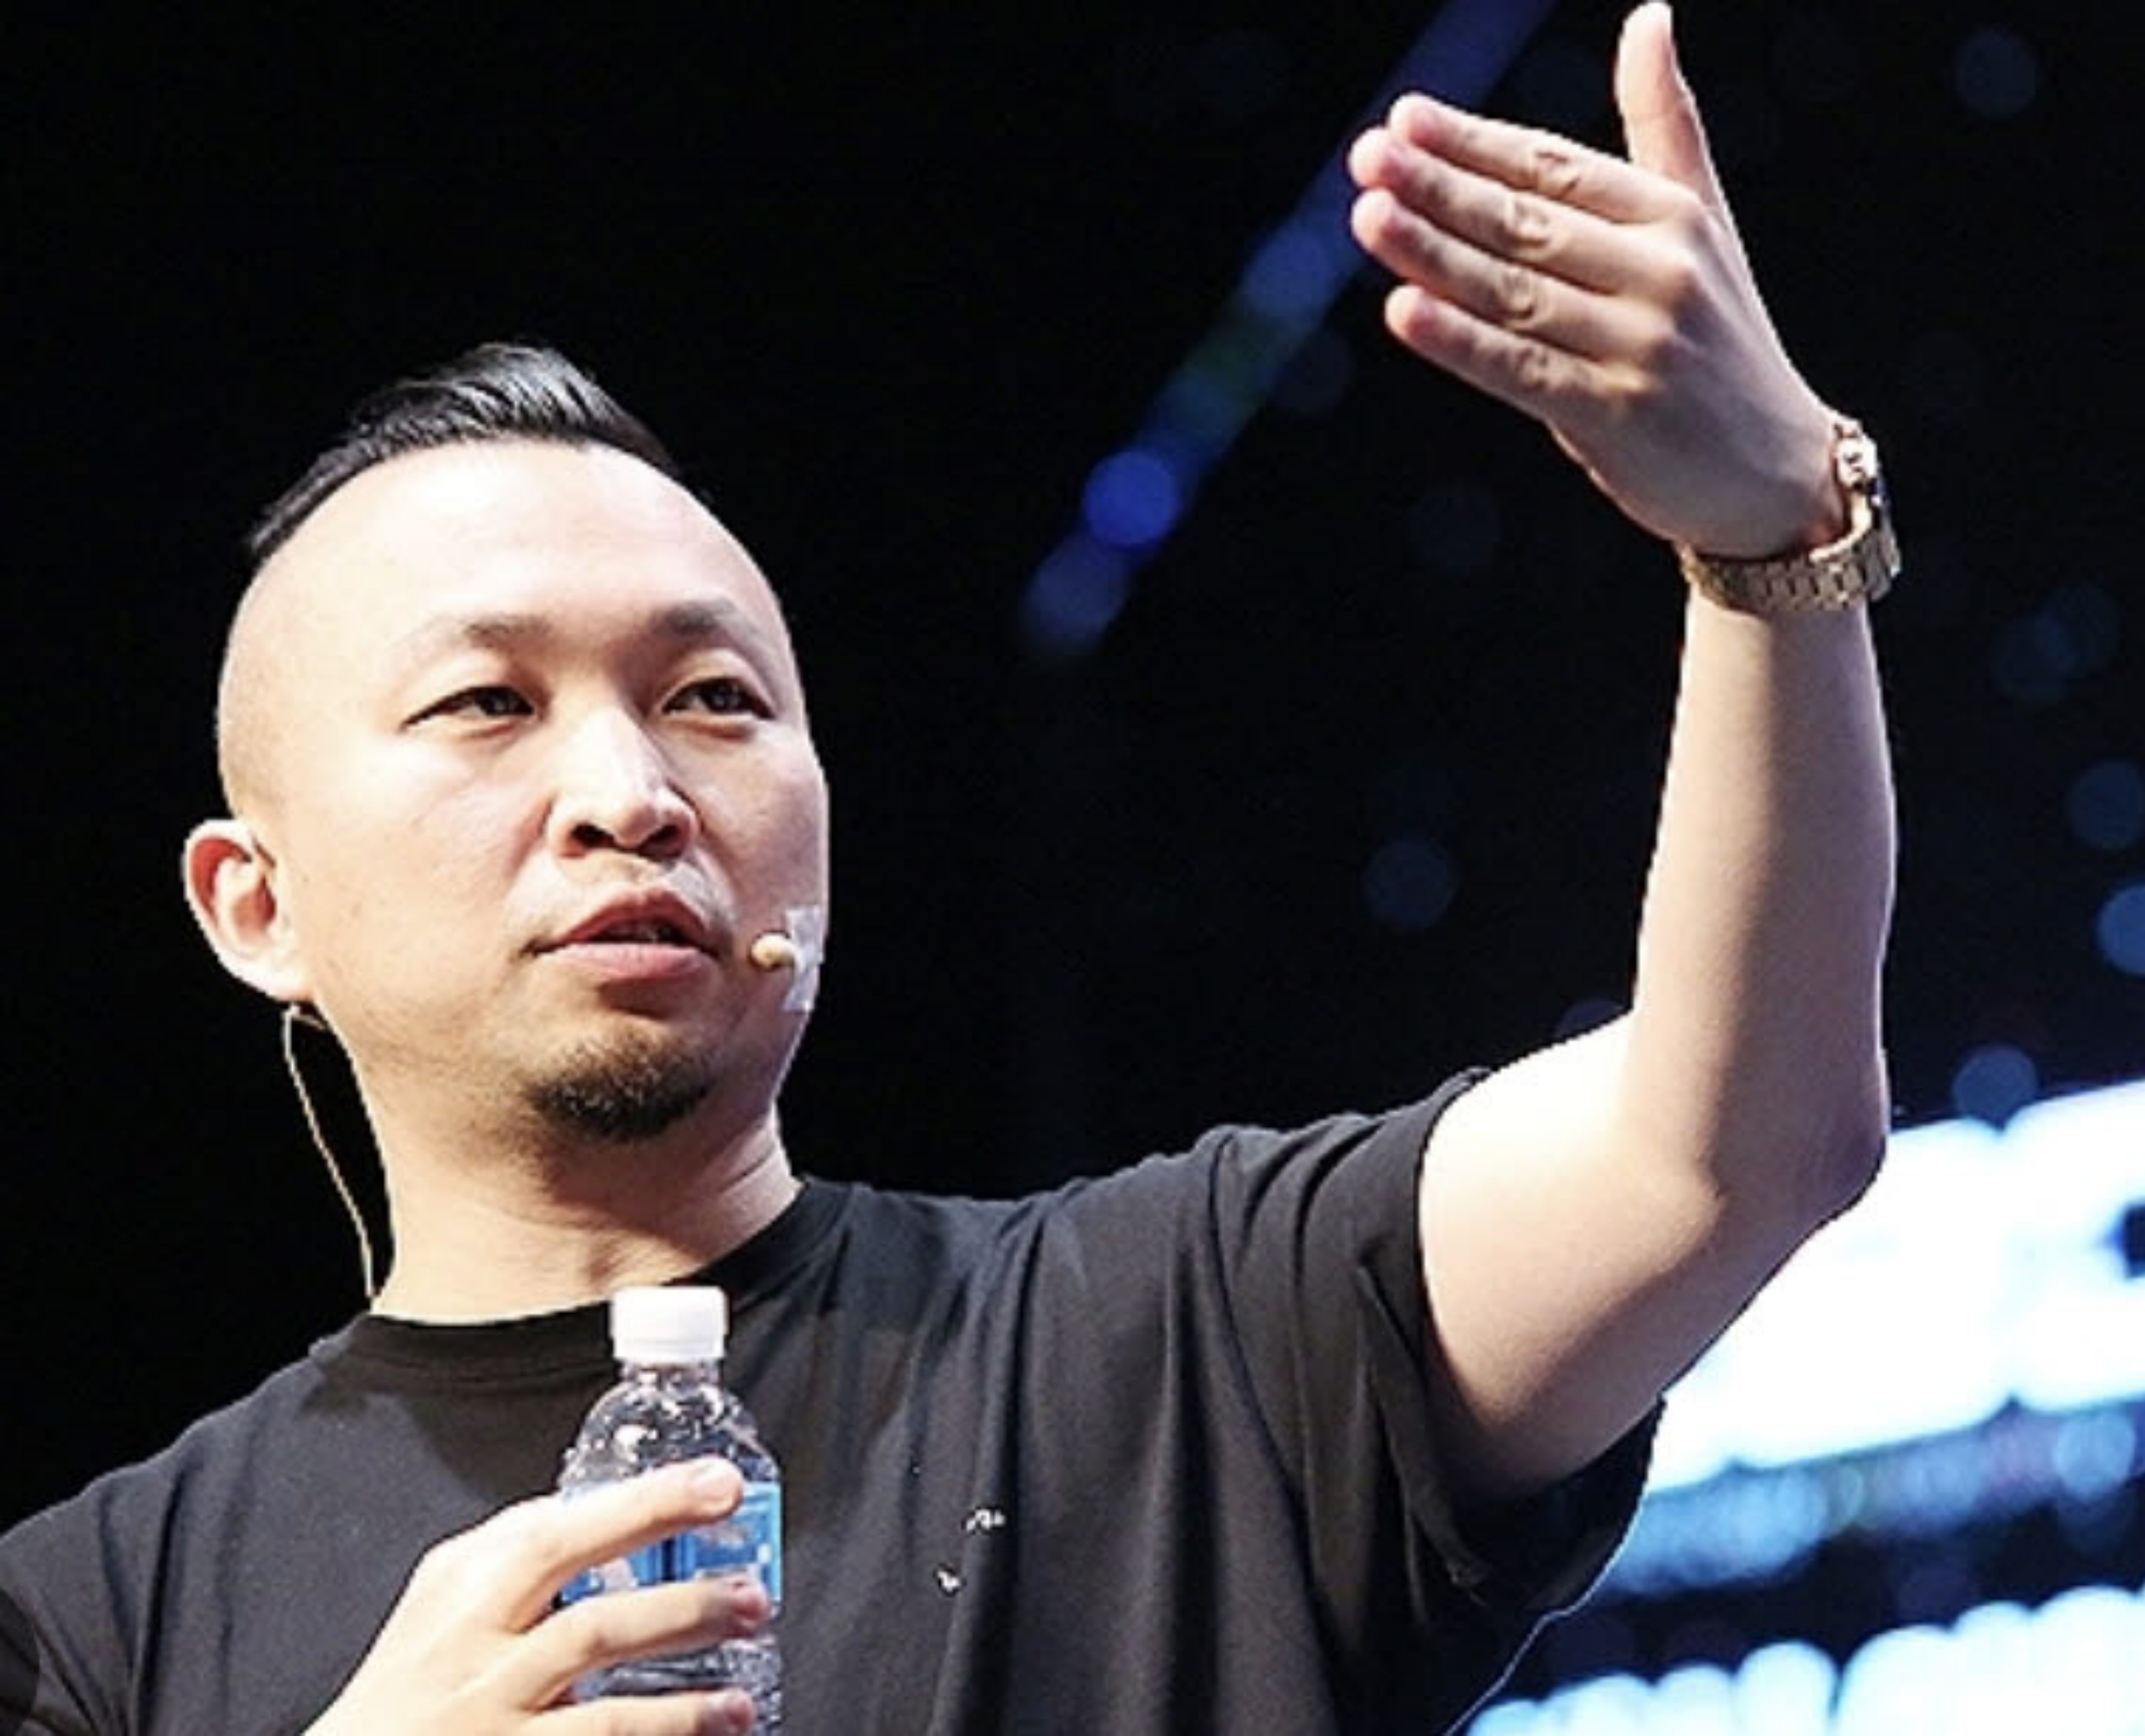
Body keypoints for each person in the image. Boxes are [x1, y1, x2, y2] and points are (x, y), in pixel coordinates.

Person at [0, 6, 1895, 1732]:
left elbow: (1735, 1143)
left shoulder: (1195, 1340)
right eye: (488, 703)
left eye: (713, 699)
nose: (630, 792)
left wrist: (1774, 542)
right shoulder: (86, 1628)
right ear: (256, 907)